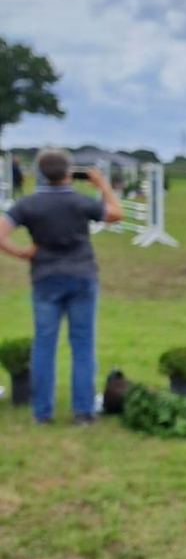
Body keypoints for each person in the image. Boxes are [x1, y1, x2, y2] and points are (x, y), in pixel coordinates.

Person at [0, 149, 123, 425]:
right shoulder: (80, 201)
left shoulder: (28, 204)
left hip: (45, 277)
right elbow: (116, 213)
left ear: (40, 173)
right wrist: (102, 185)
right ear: (69, 172)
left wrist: (22, 253)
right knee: (82, 344)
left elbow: (1, 233)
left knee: (44, 344)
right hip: (81, 275)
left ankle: (42, 412)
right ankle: (83, 411)